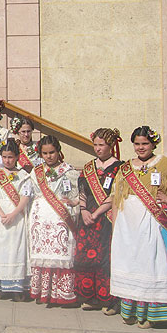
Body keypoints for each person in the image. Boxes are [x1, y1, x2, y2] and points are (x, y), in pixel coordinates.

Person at [110, 126, 167, 328]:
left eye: (145, 143)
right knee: (131, 264)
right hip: (128, 225)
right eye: (137, 144)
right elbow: (115, 195)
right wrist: (115, 224)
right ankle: (129, 310)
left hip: (153, 224)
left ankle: (151, 315)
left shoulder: (165, 164)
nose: (140, 147)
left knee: (151, 265)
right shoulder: (126, 167)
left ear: (153, 144)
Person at [75, 128, 122, 314]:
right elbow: (82, 190)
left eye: (101, 145)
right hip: (86, 219)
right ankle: (90, 296)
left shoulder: (120, 167)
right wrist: (83, 210)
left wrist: (96, 213)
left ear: (111, 146)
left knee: (106, 259)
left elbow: (115, 194)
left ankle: (109, 300)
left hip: (106, 220)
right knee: (86, 257)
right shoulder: (89, 167)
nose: (98, 149)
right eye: (95, 145)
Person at [29, 135, 80, 305]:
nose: (49, 156)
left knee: (61, 254)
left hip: (60, 218)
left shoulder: (70, 172)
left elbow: (76, 196)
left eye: (52, 152)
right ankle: (43, 292)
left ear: (58, 151)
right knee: (42, 254)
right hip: (41, 218)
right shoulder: (35, 172)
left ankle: (61, 294)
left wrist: (74, 204)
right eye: (45, 153)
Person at [0, 140, 34, 301]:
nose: (7, 160)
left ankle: (16, 289)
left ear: (17, 157)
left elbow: (25, 197)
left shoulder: (24, 176)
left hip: (16, 216)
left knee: (16, 251)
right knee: (0, 251)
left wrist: (13, 214)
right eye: (4, 157)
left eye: (10, 157)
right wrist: (1, 213)